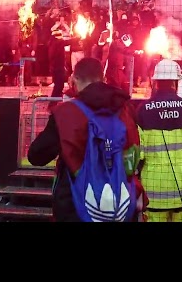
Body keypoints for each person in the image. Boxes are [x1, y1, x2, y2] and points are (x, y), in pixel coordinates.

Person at [27, 57, 143, 222]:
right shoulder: (126, 109)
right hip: (121, 203)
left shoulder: (65, 113)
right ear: (103, 78)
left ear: (74, 79)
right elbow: (136, 152)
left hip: (74, 206)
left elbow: (36, 156)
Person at [136, 59, 182, 222]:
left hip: (153, 195)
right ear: (176, 82)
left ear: (155, 82)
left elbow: (137, 157)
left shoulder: (142, 112)